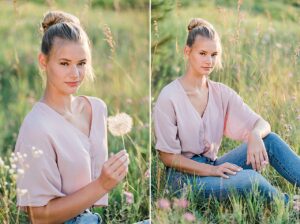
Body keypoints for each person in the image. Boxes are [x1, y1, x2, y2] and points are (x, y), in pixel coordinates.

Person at [154, 18, 300, 210]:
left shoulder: (221, 93)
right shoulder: (169, 96)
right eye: (203, 53)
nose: (209, 61)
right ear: (187, 52)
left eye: (214, 54)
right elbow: (167, 157)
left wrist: (255, 134)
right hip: (183, 181)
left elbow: (261, 123)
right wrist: (213, 170)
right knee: (249, 180)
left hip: (213, 165)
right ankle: (289, 205)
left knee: (269, 140)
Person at [14, 11, 129, 223]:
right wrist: (103, 184)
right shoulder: (36, 126)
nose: (75, 74)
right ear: (43, 61)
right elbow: (38, 217)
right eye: (64, 63)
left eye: (81, 63)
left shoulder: (96, 109)